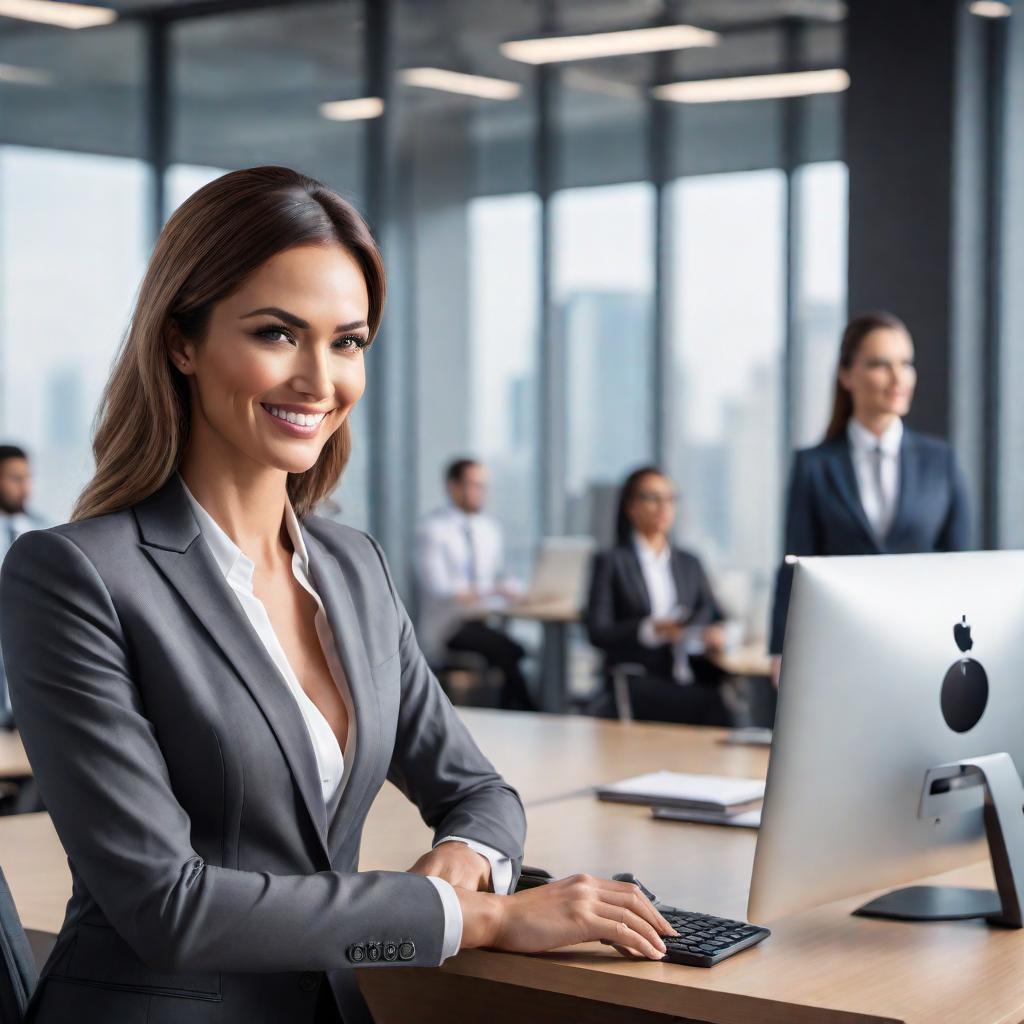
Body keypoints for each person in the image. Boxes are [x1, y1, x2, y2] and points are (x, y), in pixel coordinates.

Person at [0, 167, 674, 1024]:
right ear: (181, 341)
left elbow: (479, 793)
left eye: (347, 342)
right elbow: (168, 904)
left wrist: (466, 859)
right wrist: (480, 918)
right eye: (278, 333)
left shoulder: (351, 568)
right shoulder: (74, 575)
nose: (320, 380)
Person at [769, 311, 970, 684]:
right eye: (880, 364)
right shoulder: (814, 466)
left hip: (922, 649)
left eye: (906, 364)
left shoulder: (939, 462)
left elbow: (960, 567)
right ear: (846, 376)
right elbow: (794, 567)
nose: (898, 378)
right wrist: (781, 650)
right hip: (839, 648)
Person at [585, 466, 732, 726]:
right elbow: (598, 630)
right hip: (639, 677)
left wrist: (712, 631)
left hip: (691, 669)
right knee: (714, 707)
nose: (663, 506)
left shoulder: (689, 562)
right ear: (631, 507)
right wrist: (649, 629)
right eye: (652, 498)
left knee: (724, 698)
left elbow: (713, 612)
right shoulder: (611, 562)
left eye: (670, 499)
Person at [414, 458, 535, 710]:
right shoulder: (433, 529)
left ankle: (516, 710)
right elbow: (438, 588)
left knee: (513, 651)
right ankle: (526, 709)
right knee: (509, 651)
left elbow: (502, 575)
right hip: (449, 626)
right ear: (453, 486)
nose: (480, 492)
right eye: (473, 484)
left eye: (483, 486)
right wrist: (489, 591)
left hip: (484, 621)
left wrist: (513, 589)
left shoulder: (489, 529)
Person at [0, 445, 47, 728]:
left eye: (27, 478)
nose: (24, 487)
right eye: (15, 478)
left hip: (32, 673)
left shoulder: (45, 531)